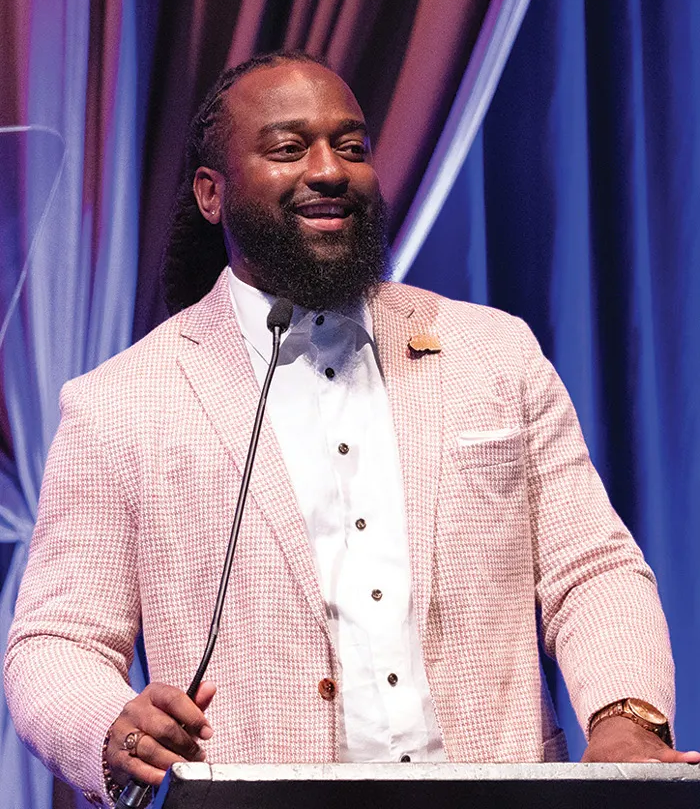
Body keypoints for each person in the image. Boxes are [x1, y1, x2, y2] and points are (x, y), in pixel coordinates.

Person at [5, 51, 699, 807]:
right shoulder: (121, 402)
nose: (331, 169)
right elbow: (56, 643)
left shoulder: (495, 353)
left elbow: (591, 568)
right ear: (212, 193)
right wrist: (111, 722)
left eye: (353, 146)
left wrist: (627, 719)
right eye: (289, 148)